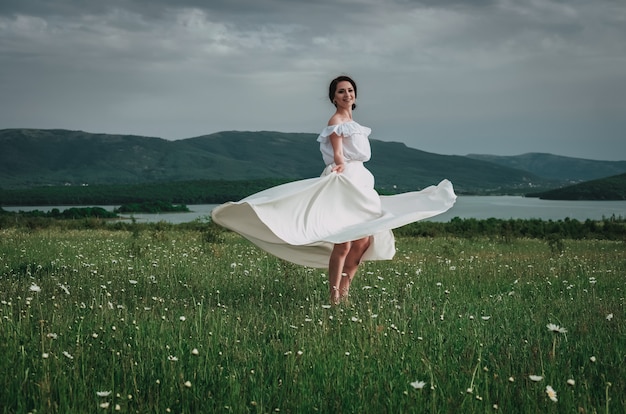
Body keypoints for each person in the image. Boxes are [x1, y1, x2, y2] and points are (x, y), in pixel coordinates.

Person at [211, 75, 456, 305]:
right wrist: (339, 163)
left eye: (350, 90)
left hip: (362, 180)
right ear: (334, 98)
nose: (347, 94)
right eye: (341, 91)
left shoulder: (355, 124)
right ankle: (334, 296)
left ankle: (345, 291)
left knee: (363, 241)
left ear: (355, 96)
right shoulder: (336, 122)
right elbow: (337, 150)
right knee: (344, 241)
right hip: (346, 178)